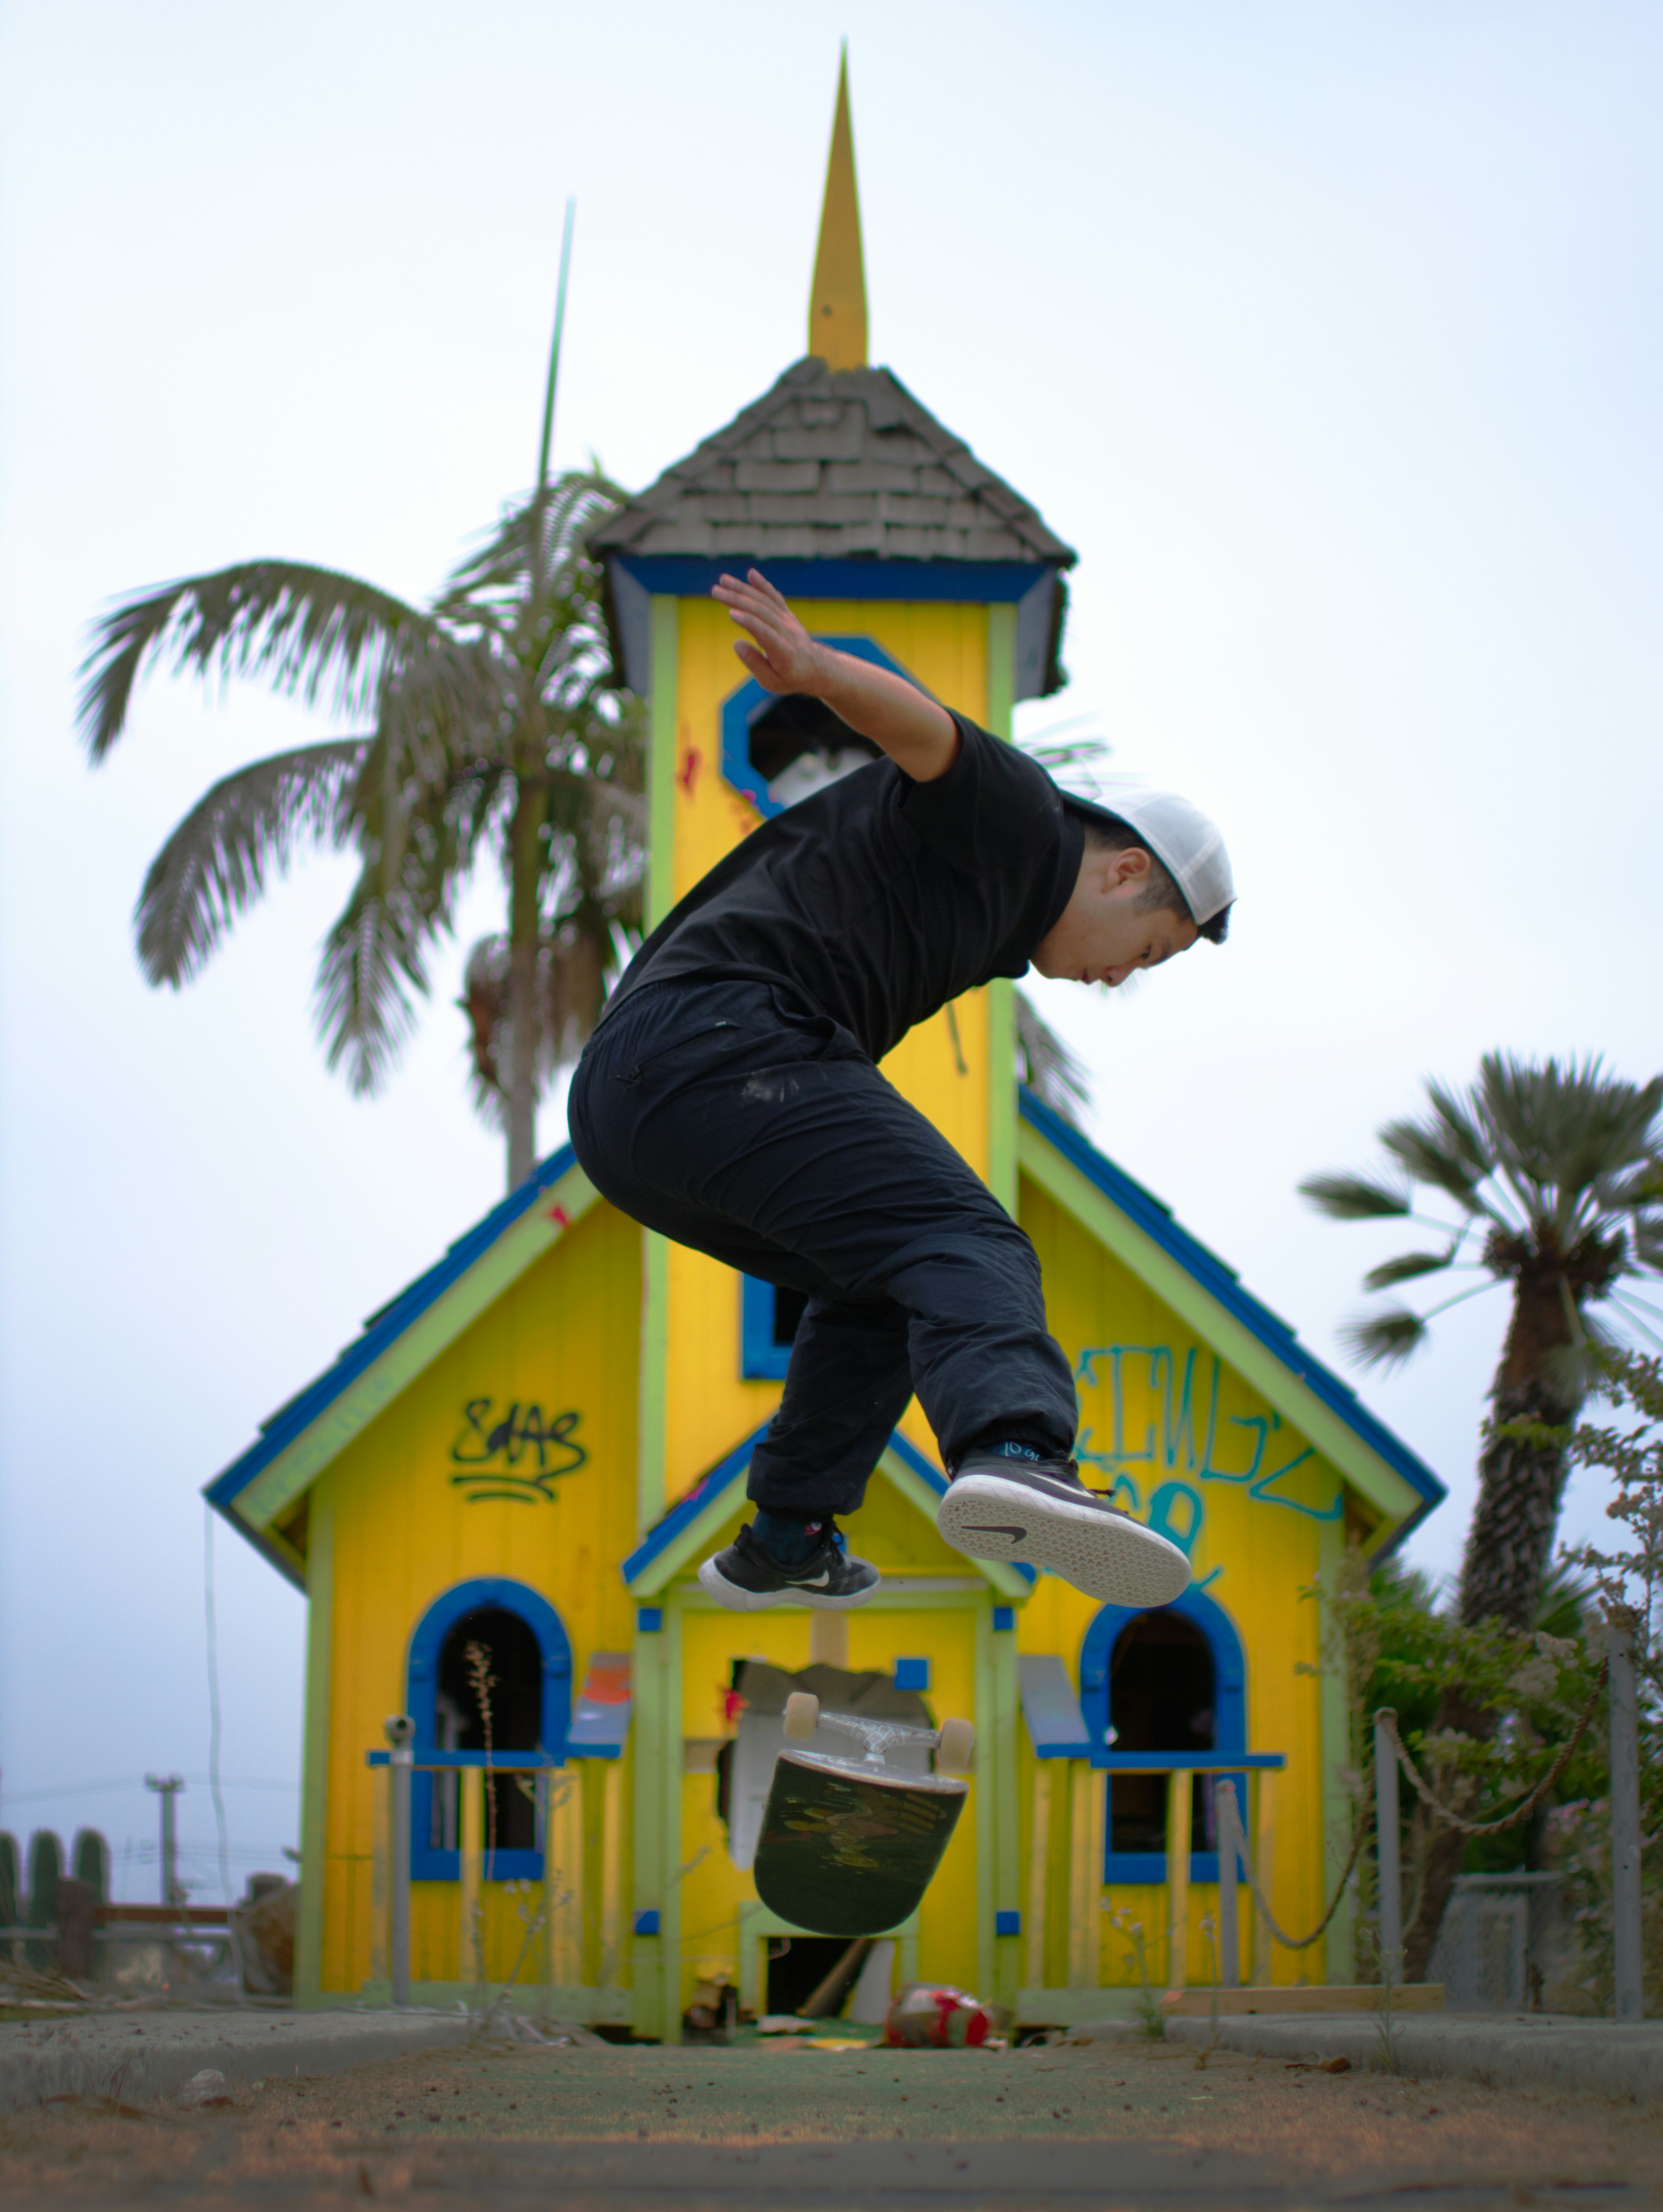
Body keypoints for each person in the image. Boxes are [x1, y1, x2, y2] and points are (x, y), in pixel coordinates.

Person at [569, 570, 1234, 1615]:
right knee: (967, 1242)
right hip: (715, 1041)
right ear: (1121, 871)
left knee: (882, 1279)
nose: (1118, 980)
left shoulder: (993, 909)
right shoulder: (1024, 822)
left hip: (631, 1111)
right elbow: (931, 737)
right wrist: (817, 670)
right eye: (1143, 952)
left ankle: (787, 1533)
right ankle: (1016, 1449)